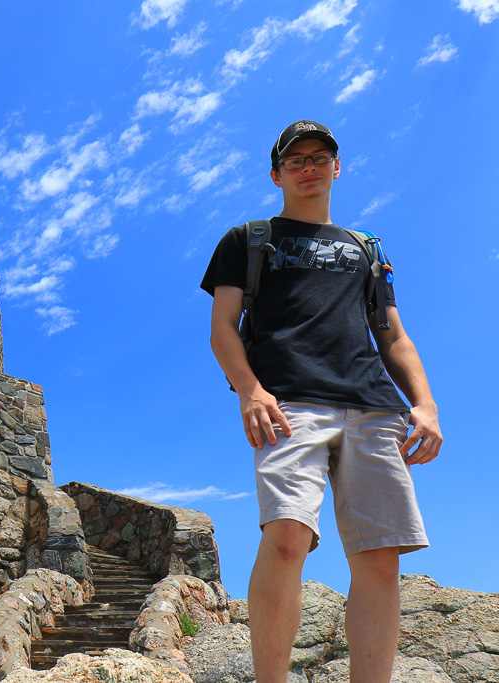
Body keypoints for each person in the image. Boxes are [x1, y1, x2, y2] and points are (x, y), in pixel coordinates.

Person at [200, 120, 442, 683]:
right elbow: (222, 329)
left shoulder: (365, 250)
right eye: (296, 159)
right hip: (288, 403)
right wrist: (250, 391)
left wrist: (424, 405)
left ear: (338, 167)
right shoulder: (248, 239)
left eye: (320, 157)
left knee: (380, 559)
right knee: (287, 537)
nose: (309, 166)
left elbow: (394, 336)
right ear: (276, 173)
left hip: (375, 406)